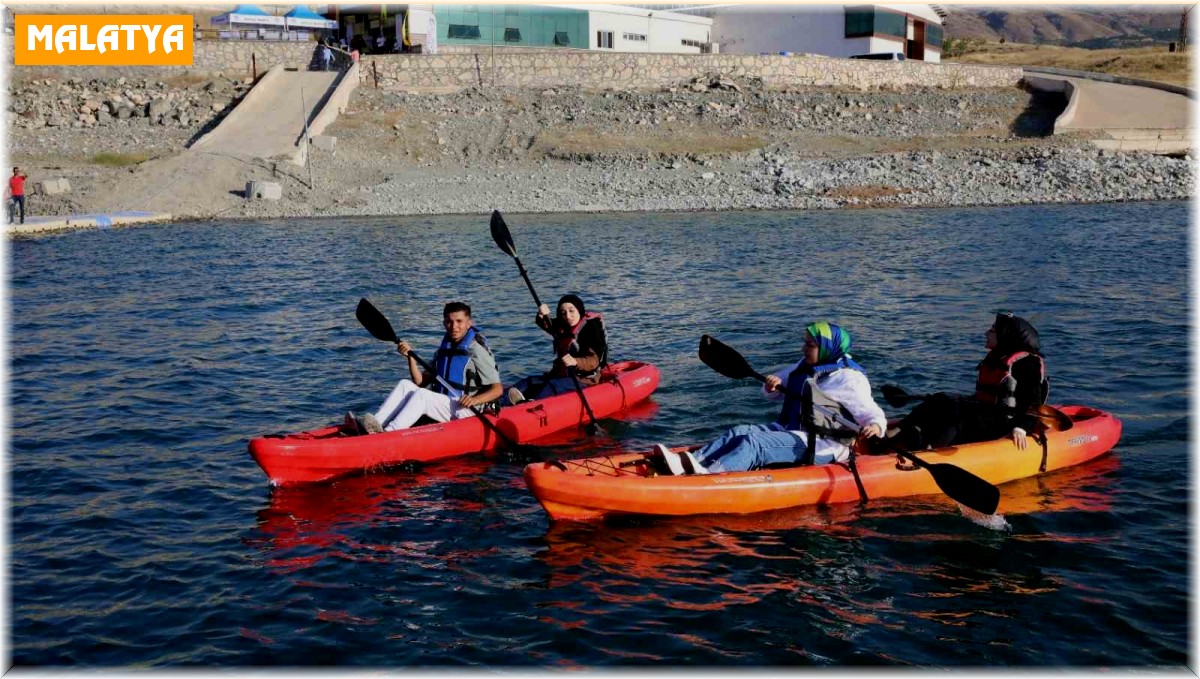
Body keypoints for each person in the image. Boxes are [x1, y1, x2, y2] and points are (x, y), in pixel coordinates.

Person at [652, 322, 886, 475]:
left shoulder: (849, 378)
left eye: (810, 344)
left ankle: (708, 476)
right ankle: (688, 462)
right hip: (791, 430)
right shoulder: (805, 365)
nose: (804, 348)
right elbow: (771, 392)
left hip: (824, 444)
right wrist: (772, 385)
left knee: (755, 445)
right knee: (739, 431)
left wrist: (875, 426)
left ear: (826, 347)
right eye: (804, 342)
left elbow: (872, 413)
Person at [879, 312, 1048, 452]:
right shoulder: (997, 357)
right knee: (940, 399)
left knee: (956, 415)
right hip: (985, 416)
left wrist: (1021, 428)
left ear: (1006, 336)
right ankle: (896, 433)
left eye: (992, 330)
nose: (986, 334)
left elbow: (1033, 404)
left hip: (1004, 423)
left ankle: (928, 451)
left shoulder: (1027, 364)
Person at [347, 301, 503, 434]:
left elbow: (497, 389)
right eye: (449, 321)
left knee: (423, 396)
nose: (454, 326)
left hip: (467, 409)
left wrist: (474, 400)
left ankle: (390, 433)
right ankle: (375, 424)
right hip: (448, 404)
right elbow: (420, 382)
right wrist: (410, 357)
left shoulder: (476, 350)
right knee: (405, 385)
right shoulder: (443, 350)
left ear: (469, 323)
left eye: (459, 321)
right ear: (444, 323)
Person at [506, 294, 608, 405]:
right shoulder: (563, 326)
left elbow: (594, 361)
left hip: (583, 379)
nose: (568, 316)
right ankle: (497, 404)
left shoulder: (591, 328)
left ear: (579, 310)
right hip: (561, 375)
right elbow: (548, 324)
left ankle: (529, 407)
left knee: (551, 387)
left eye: (571, 311)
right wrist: (541, 315)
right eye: (563, 313)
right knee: (529, 382)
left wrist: (575, 361)